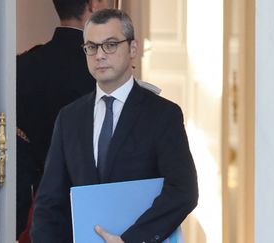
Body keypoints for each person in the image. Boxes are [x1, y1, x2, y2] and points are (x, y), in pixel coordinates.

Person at [31, 9, 198, 243]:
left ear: (132, 48)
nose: (99, 55)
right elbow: (49, 203)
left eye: (110, 45)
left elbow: (184, 191)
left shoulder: (163, 115)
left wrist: (131, 240)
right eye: (91, 46)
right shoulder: (69, 118)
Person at [16, 0, 109, 238]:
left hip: (37, 210)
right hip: (95, 212)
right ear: (93, 5)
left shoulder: (25, 65)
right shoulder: (104, 69)